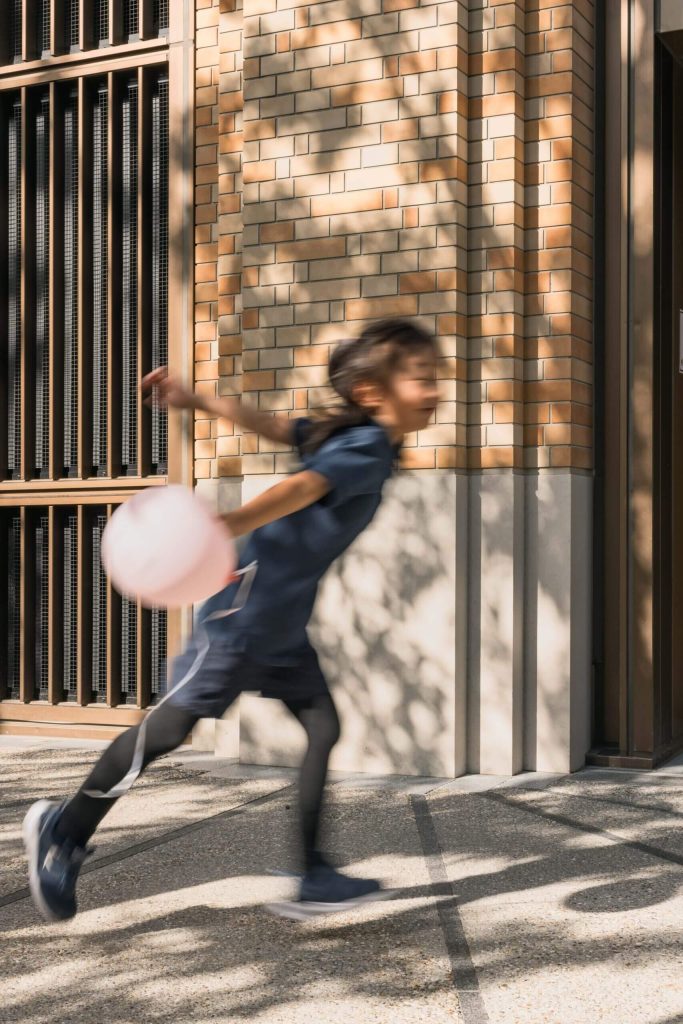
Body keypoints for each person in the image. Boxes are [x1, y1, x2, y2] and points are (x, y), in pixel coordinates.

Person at [23, 317, 440, 922]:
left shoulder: (351, 435)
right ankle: (63, 829)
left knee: (322, 726)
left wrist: (194, 398)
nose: (434, 392)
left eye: (436, 379)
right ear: (374, 391)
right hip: (245, 616)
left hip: (282, 623)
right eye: (422, 379)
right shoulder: (366, 449)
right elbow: (302, 487)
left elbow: (273, 426)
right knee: (166, 733)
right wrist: (222, 528)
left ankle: (315, 875)